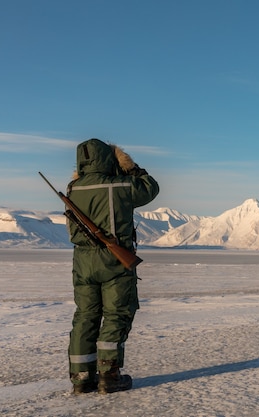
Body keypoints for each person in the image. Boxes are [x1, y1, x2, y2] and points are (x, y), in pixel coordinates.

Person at [66, 138, 159, 395]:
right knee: (116, 314)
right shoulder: (119, 185)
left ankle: (81, 378)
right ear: (108, 158)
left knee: (85, 316)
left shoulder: (74, 188)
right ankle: (109, 374)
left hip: (82, 262)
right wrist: (130, 167)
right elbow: (150, 188)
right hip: (114, 259)